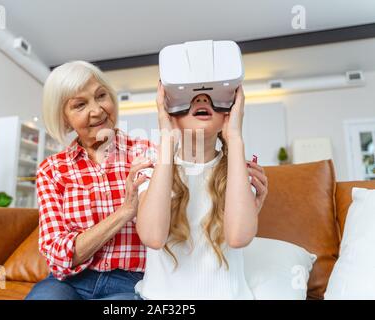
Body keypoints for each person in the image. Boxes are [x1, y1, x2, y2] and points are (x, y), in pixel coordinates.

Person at [25, 61, 154, 300]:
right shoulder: (52, 170)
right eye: (80, 105)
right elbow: (58, 253)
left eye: (101, 95)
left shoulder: (147, 153)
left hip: (132, 282)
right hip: (69, 282)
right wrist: (126, 211)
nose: (97, 110)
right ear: (64, 119)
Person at [134, 82, 269, 299]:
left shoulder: (239, 172)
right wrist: (167, 139)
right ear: (172, 115)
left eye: (213, 95)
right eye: (188, 95)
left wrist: (234, 137)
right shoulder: (151, 170)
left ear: (227, 115)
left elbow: (238, 238)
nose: (202, 98)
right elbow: (152, 237)